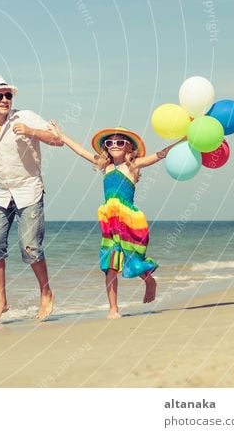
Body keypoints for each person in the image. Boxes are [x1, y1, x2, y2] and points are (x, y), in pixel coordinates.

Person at [48, 122, 180, 319]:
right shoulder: (106, 166)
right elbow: (81, 151)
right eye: (109, 142)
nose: (114, 145)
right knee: (109, 265)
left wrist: (186, 139)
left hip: (129, 220)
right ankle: (113, 308)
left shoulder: (133, 165)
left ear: (129, 146)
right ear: (105, 147)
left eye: (120, 141)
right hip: (109, 222)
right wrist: (62, 136)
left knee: (133, 258)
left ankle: (149, 281)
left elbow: (161, 154)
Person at [0, 75, 63, 322]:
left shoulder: (26, 117)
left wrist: (31, 131)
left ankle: (46, 293)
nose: (4, 100)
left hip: (29, 191)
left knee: (30, 248)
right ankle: (1, 299)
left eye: (7, 95)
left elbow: (58, 140)